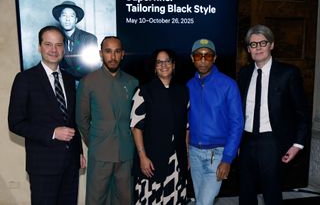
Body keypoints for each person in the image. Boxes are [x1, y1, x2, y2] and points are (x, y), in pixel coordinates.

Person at [8, 25, 85, 204]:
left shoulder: (69, 79)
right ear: (39, 46)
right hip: (43, 165)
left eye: (58, 45)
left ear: (64, 49)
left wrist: (78, 151)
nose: (53, 50)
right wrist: (52, 133)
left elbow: (71, 120)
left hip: (71, 164)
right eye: (48, 44)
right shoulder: (25, 79)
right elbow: (15, 123)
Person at [237, 24, 309, 205]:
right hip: (246, 141)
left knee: (272, 194)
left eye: (263, 42)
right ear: (248, 49)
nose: (258, 47)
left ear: (272, 45)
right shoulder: (244, 74)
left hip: (273, 142)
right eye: (253, 44)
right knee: (245, 193)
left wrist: (297, 145)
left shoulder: (288, 73)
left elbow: (302, 112)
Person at [76, 36, 138, 204]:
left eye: (117, 52)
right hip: (100, 152)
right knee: (96, 199)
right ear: (100, 54)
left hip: (126, 153)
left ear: (123, 54)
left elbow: (136, 120)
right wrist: (95, 142)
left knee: (125, 199)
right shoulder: (88, 82)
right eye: (108, 51)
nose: (113, 56)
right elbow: (82, 119)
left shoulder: (132, 82)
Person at [187, 38, 244, 204]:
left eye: (208, 56)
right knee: (201, 200)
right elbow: (186, 124)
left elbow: (237, 124)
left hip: (218, 155)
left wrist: (227, 158)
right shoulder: (188, 86)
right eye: (198, 56)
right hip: (194, 153)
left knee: (203, 202)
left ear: (215, 58)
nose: (203, 60)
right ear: (192, 58)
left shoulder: (228, 85)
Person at [130, 49, 189, 204]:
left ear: (173, 65)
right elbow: (136, 127)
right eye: (159, 62)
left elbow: (186, 128)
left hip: (176, 161)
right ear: (154, 67)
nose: (164, 65)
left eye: (167, 61)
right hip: (151, 161)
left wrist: (187, 155)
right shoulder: (143, 91)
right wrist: (142, 157)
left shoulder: (183, 92)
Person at [52, 0, 99, 80]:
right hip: (65, 85)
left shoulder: (89, 38)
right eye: (64, 15)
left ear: (76, 19)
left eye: (71, 16)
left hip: (87, 83)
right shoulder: (56, 40)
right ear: (59, 19)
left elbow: (92, 67)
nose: (67, 19)